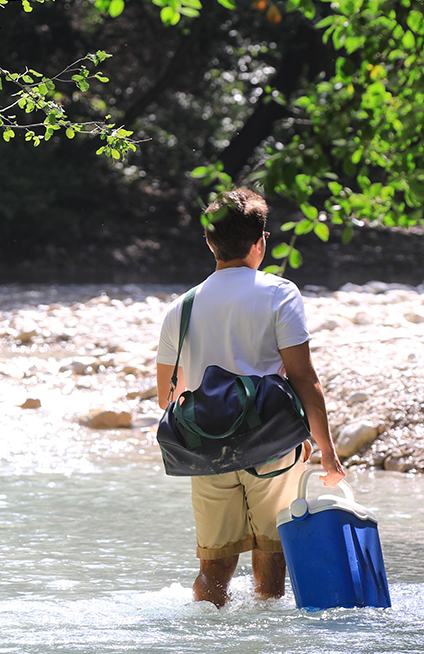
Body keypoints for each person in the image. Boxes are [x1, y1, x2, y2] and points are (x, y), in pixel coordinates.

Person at [155, 188, 345, 608]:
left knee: (214, 568)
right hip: (272, 445)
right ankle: (264, 637)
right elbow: (304, 377)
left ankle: (202, 637)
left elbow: (166, 393)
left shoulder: (180, 308)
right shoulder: (279, 293)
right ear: (261, 242)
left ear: (209, 242)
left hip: (207, 450)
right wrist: (327, 450)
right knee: (273, 554)